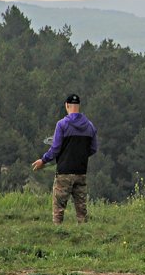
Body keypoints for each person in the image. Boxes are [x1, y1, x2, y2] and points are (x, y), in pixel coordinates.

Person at [32, 93, 99, 224]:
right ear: (78, 106)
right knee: (81, 210)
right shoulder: (90, 126)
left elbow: (55, 148)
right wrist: (80, 155)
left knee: (58, 210)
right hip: (81, 171)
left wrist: (43, 160)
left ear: (67, 106)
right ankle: (84, 236)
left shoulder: (62, 125)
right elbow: (93, 149)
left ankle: (58, 235)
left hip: (64, 172)